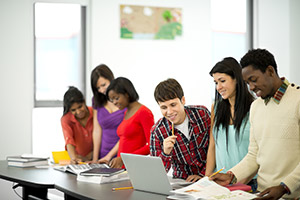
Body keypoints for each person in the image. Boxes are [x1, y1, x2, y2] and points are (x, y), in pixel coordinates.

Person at [211, 49, 300, 199]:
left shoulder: (297, 100)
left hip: (292, 195)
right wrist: (231, 176)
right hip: (262, 194)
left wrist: (285, 187)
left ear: (270, 71)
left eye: (254, 79)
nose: (251, 87)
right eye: (247, 83)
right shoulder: (256, 107)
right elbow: (254, 154)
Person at [206, 57, 256, 190]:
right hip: (220, 182)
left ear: (237, 79)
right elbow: (212, 146)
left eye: (222, 81)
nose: (218, 87)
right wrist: (206, 179)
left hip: (248, 183)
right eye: (216, 82)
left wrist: (239, 182)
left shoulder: (255, 108)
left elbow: (259, 154)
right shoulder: (216, 108)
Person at [150, 78, 210, 182]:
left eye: (173, 105)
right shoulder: (157, 131)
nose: (169, 112)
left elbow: (217, 148)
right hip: (182, 181)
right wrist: (165, 153)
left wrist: (203, 175)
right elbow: (156, 175)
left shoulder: (202, 114)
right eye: (164, 107)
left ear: (183, 100)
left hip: (209, 176)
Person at [106, 77, 155, 168]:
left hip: (134, 167)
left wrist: (124, 158)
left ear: (127, 94)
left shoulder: (144, 112)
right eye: (112, 100)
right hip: (122, 168)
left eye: (116, 98)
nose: (114, 102)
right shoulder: (126, 112)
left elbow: (152, 146)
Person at [90, 64, 126, 164]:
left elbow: (126, 134)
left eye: (103, 85)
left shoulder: (124, 99)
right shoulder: (96, 100)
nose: (101, 90)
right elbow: (97, 130)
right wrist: (95, 159)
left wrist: (109, 156)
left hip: (121, 155)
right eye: (98, 88)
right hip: (103, 156)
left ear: (111, 79)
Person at [61, 86, 93, 164]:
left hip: (98, 156)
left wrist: (90, 156)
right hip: (79, 160)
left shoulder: (95, 112)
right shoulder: (66, 119)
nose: (78, 112)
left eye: (80, 107)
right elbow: (69, 141)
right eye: (73, 110)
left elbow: (103, 138)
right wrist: (74, 158)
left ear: (84, 101)